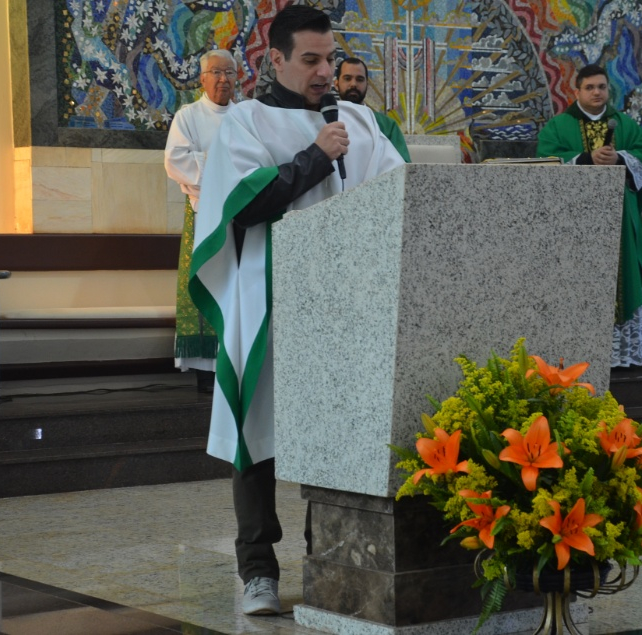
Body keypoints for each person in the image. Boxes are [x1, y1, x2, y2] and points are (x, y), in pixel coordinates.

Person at [189, 6, 405, 616]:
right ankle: (256, 568)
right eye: (309, 59)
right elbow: (242, 206)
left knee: (340, 437)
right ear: (276, 59)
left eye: (330, 59)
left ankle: (326, 560)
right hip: (271, 301)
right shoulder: (246, 124)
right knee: (257, 432)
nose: (323, 72)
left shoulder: (360, 121)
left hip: (347, 306)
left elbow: (397, 195)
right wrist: (313, 157)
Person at [535, 64, 642, 367]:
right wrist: (585, 158)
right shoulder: (559, 126)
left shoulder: (624, 125)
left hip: (619, 219)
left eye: (602, 87)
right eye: (589, 87)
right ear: (576, 92)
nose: (597, 93)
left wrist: (621, 158)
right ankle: (575, 353)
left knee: (621, 277)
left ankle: (619, 355)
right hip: (573, 222)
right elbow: (545, 161)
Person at [164, 50, 238, 386]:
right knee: (208, 282)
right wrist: (222, 166)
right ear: (202, 78)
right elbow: (176, 160)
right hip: (204, 215)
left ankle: (234, 363)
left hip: (241, 217)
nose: (223, 79)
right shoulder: (188, 116)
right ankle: (204, 373)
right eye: (216, 72)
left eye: (230, 73)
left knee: (235, 290)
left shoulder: (246, 116)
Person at [334, 56, 411, 162]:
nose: (353, 84)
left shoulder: (387, 125)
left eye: (359, 79)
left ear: (367, 85)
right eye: (347, 78)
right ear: (336, 84)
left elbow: (403, 168)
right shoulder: (324, 118)